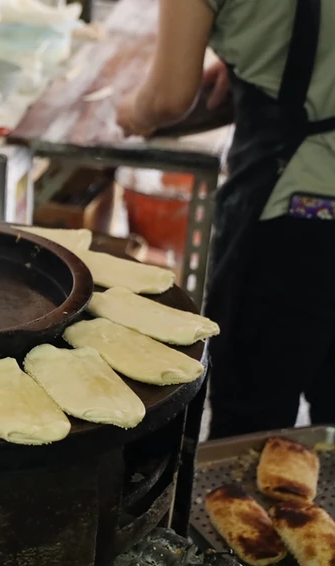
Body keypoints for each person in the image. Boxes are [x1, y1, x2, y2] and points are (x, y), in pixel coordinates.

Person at [115, 0, 335, 438]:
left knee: (251, 422)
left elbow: (169, 98)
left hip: (297, 209)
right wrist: (255, 61)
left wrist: (133, 113)